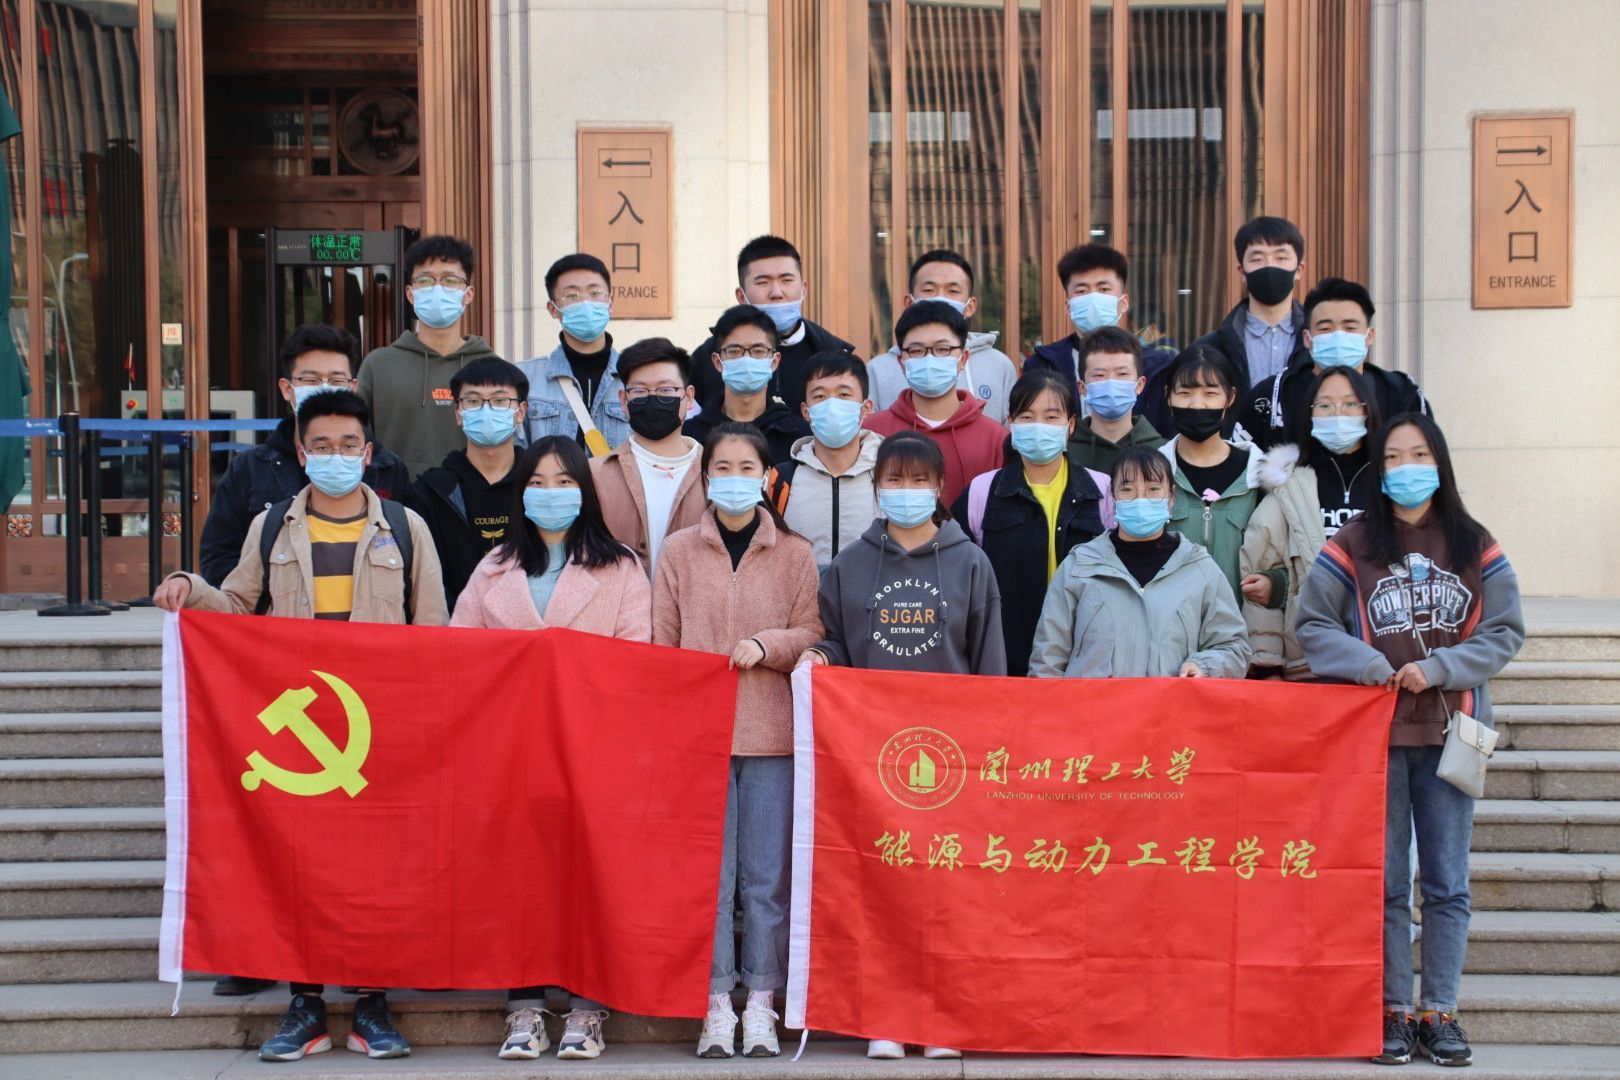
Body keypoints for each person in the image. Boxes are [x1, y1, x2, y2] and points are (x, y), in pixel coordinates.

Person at [152, 390, 446, 1062]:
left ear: (368, 454)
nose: (335, 456)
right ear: (301, 451)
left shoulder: (407, 528)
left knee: (376, 867)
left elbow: (433, 631)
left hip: (380, 726)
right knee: (301, 866)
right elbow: (235, 605)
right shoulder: (271, 527)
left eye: (349, 445)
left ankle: (372, 1002)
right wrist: (188, 585)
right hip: (301, 725)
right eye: (322, 446)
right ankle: (305, 1002)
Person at [1295, 413, 1524, 1069]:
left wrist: (1442, 668)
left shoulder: (1474, 542)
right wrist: (1369, 665)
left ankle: (1440, 1012)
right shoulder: (1354, 543)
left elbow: (1505, 631)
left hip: (1454, 733)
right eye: (1393, 457)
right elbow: (1312, 624)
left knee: (1447, 883)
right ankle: (1393, 1009)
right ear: (1379, 469)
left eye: (1419, 454)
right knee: (1387, 882)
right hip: (1377, 737)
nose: (1406, 468)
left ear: (1440, 462)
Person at [800, 430, 1003, 1060]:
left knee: (947, 893)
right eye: (895, 479)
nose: (906, 491)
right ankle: (885, 1017)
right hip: (871, 758)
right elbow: (839, 640)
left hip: (953, 756)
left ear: (939, 488)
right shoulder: (849, 566)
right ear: (876, 486)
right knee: (881, 889)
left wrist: (987, 748)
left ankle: (942, 1019)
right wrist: (820, 656)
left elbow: (989, 661)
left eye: (919, 480)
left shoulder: (971, 563)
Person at [450, 435, 648, 1062]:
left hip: (593, 745)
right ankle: (525, 1004)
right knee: (521, 877)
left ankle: (588, 1006)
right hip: (512, 748)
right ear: (521, 493)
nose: (551, 493)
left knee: (589, 873)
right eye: (537, 483)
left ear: (584, 492)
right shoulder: (495, 566)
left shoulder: (620, 567)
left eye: (564, 482)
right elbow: (461, 653)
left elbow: (635, 657)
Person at [652, 423, 823, 1060]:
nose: (733, 478)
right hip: (699, 740)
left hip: (772, 736)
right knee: (711, 881)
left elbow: (814, 631)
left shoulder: (795, 553)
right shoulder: (678, 552)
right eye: (721, 468)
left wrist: (767, 645)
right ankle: (717, 1001)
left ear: (767, 477)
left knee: (766, 881)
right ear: (705, 478)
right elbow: (661, 642)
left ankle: (762, 1002)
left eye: (746, 467)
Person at [200, 325, 411, 592]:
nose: (324, 390)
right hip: (278, 615)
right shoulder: (250, 470)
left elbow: (410, 560)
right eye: (311, 380)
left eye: (336, 381)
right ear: (287, 389)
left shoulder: (387, 468)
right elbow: (219, 559)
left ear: (353, 388)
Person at [1028, 447, 1250, 679]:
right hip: (1093, 703)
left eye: (1153, 489)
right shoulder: (1079, 567)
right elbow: (1047, 660)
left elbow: (1234, 647)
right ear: (1113, 498)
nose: (1140, 499)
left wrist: (1204, 666)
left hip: (1169, 703)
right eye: (1127, 490)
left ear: (1171, 497)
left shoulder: (1199, 569)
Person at [952, 370, 1113, 676]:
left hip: (1084, 661)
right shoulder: (982, 492)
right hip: (1004, 659)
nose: (1039, 426)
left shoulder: (1102, 491)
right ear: (1011, 423)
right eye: (1027, 417)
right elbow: (957, 578)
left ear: (1071, 425)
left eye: (1051, 417)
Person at [1240, 367, 1384, 679]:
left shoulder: (1390, 481)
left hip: (1386, 660)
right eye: (1325, 405)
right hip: (1309, 665)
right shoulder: (1289, 486)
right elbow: (1258, 573)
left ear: (1368, 410)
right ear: (1309, 414)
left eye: (1350, 404)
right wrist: (1266, 666)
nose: (1338, 414)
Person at [357, 234, 497, 476]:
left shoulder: (491, 368)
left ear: (468, 294)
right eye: (425, 280)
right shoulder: (377, 366)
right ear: (410, 294)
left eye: (450, 280)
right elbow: (355, 442)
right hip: (394, 498)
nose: (437, 289)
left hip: (468, 498)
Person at [1238, 276, 1431, 450]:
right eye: (1325, 328)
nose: (1338, 336)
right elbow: (1238, 460)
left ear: (1370, 336)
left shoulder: (1401, 395)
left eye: (1350, 327)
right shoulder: (1273, 396)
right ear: (1307, 338)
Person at [403, 357, 528, 607]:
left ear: (521, 412)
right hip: (455, 625)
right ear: (458, 413)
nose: (486, 410)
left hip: (531, 624)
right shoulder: (429, 494)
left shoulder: (541, 485)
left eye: (500, 401)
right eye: (473, 401)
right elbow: (422, 579)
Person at [689, 235, 854, 414]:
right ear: (741, 296)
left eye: (786, 280)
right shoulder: (707, 359)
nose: (776, 293)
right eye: (763, 282)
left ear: (804, 289)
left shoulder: (835, 356)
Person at [862, 300, 1006, 506]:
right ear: (901, 362)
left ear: (963, 358)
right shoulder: (871, 432)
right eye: (916, 350)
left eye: (942, 349)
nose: (929, 359)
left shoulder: (996, 439)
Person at [1023, 243, 1176, 434]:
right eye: (1081, 291)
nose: (1093, 299)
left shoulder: (1157, 367)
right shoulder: (1041, 366)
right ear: (1068, 306)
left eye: (1103, 289)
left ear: (1123, 303)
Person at [590, 338, 707, 571]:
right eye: (640, 391)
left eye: (666, 390)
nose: (653, 398)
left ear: (689, 397)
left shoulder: (714, 473)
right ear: (624, 400)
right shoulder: (594, 475)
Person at [1157, 345, 1263, 600]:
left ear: (1230, 397)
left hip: (1242, 620)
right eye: (1185, 393)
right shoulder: (1152, 474)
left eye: (1210, 393)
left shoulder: (1262, 476)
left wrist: (1275, 584)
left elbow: (1282, 557)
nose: (1197, 405)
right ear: (1168, 396)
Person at [867, 250, 1018, 422]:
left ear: (970, 306)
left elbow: (1009, 430)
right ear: (909, 303)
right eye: (929, 290)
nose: (940, 299)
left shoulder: (999, 365)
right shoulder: (877, 370)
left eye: (953, 290)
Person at [770, 352, 882, 572]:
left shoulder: (889, 475)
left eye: (844, 394)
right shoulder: (781, 480)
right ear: (806, 411)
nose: (832, 405)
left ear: (866, 408)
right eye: (820, 396)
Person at [516, 253, 630, 454]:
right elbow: (516, 454)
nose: (586, 303)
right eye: (572, 296)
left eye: (595, 293)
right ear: (553, 309)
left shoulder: (633, 377)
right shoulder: (526, 378)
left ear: (610, 303)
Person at [1190, 216, 1310, 391]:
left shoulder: (1318, 342)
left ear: (1299, 270)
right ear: (1242, 272)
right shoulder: (1210, 347)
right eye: (1257, 259)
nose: (1269, 266)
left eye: (1281, 257)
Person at [683, 305, 810, 463]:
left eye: (758, 351)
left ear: (774, 361)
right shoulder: (689, 438)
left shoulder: (800, 439)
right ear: (718, 362)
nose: (746, 359)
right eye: (734, 351)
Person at [1065, 325, 1168, 476]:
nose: (1111, 383)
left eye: (1122, 374)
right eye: (1099, 375)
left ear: (1140, 385)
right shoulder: (1063, 453)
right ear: (1082, 387)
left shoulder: (1164, 452)